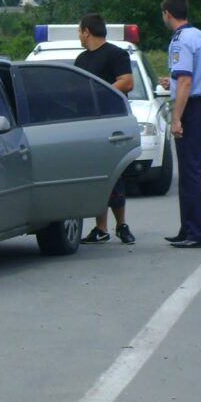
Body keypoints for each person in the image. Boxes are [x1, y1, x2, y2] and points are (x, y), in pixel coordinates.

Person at [159, 0, 201, 249]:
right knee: (189, 170)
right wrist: (170, 82)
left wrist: (176, 119)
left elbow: (185, 81)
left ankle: (199, 232)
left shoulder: (180, 41)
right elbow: (192, 76)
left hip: (193, 107)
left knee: (191, 170)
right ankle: (189, 227)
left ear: (167, 14)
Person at [73, 13, 136, 245]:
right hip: (90, 125)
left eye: (80, 31)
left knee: (115, 174)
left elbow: (127, 82)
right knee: (98, 176)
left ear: (87, 31)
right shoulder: (81, 60)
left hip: (113, 123)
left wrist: (99, 93)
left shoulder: (116, 54)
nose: (79, 36)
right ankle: (101, 228)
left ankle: (122, 225)